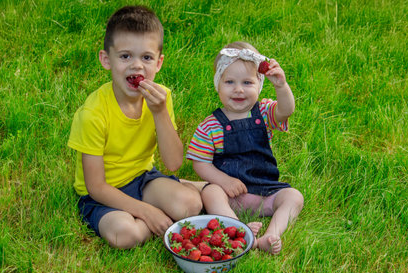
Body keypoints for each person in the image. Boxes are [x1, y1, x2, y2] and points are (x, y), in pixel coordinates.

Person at [68, 5, 202, 249]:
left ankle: (168, 204)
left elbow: (172, 163)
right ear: (106, 60)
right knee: (124, 235)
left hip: (142, 180)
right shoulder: (93, 114)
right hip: (102, 196)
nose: (137, 66)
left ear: (159, 63)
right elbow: (96, 186)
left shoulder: (160, 99)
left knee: (191, 204)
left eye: (147, 57)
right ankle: (156, 218)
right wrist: (148, 212)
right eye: (125, 56)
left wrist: (160, 112)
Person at [186, 41, 304, 254]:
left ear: (259, 84)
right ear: (218, 85)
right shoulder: (210, 125)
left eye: (247, 82)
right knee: (211, 192)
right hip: (231, 196)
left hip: (265, 191)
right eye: (229, 81)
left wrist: (281, 86)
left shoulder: (265, 111)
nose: (238, 89)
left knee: (294, 196)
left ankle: (271, 234)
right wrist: (224, 181)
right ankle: (239, 230)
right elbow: (200, 162)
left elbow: (286, 111)